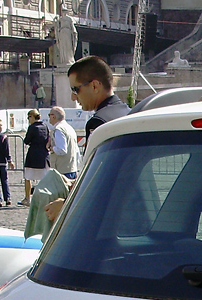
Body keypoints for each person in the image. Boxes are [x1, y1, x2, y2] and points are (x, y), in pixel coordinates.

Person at [45, 55, 130, 223]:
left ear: (94, 86)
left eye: (76, 89)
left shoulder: (99, 122)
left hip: (109, 218)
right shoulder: (128, 111)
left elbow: (98, 179)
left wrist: (66, 204)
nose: (73, 97)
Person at [21, 109, 50, 206]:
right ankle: (45, 198)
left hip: (33, 154)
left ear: (31, 117)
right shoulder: (45, 126)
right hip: (44, 155)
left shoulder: (32, 127)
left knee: (27, 177)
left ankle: (27, 198)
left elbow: (27, 140)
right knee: (44, 178)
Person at [46, 106, 80, 179]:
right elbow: (76, 150)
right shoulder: (69, 128)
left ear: (53, 116)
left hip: (62, 170)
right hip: (71, 168)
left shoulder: (58, 129)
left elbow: (62, 150)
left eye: (49, 115)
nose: (49, 117)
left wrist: (52, 148)